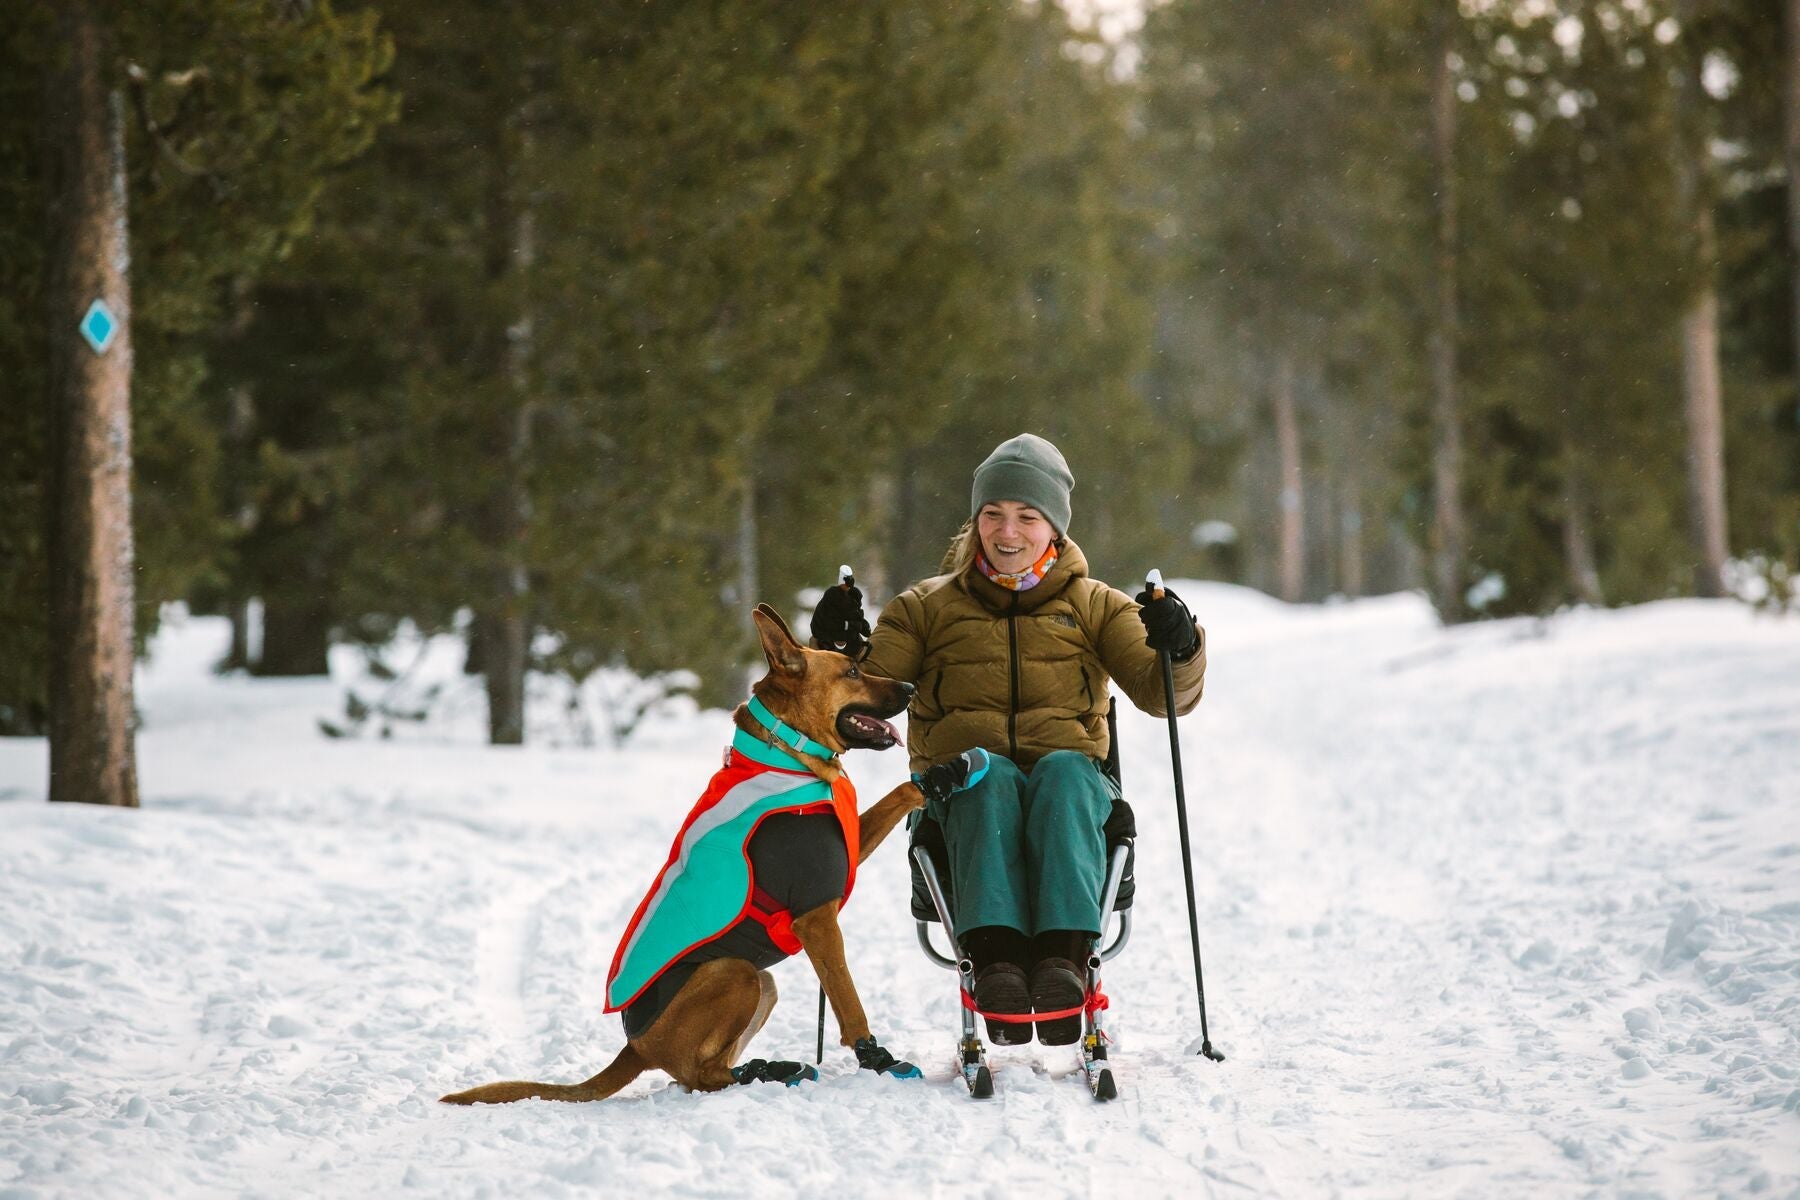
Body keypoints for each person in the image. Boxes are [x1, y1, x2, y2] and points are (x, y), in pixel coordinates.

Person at [810, 433, 1206, 1046]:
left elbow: (1167, 697)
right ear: (975, 522)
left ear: (1055, 528)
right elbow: (862, 690)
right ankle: (994, 967)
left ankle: (1061, 967)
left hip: (1069, 793)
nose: (1008, 531)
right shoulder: (924, 609)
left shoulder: (1096, 606)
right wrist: (837, 649)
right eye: (993, 513)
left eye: (1027, 516)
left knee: (1066, 774)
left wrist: (1179, 645)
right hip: (964, 796)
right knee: (984, 774)